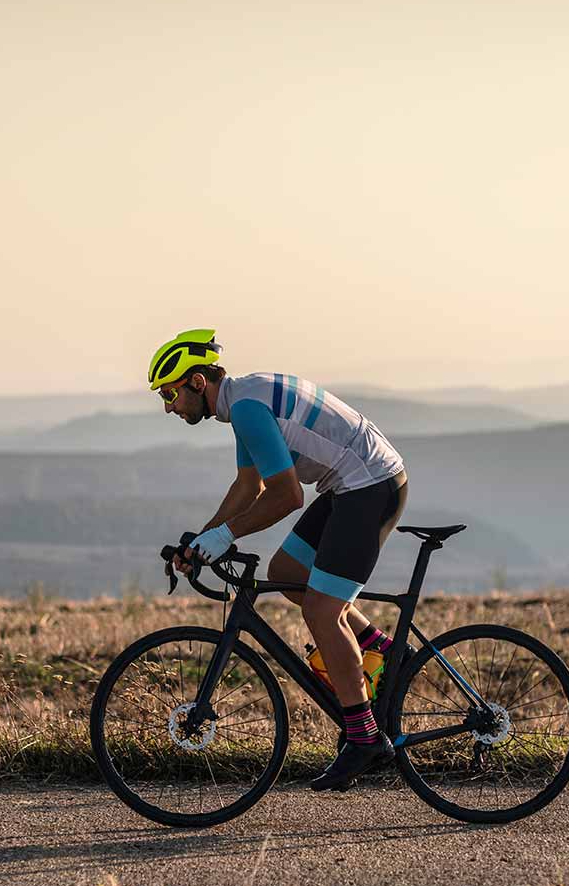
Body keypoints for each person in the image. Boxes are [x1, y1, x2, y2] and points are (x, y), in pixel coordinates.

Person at [149, 328, 408, 791]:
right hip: (349, 486)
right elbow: (248, 488)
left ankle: (365, 737)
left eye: (170, 394)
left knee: (321, 611)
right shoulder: (241, 402)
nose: (168, 407)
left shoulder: (247, 408)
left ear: (196, 383)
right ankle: (387, 653)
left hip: (369, 487)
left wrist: (225, 534)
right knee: (287, 574)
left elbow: (287, 495)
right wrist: (203, 540)